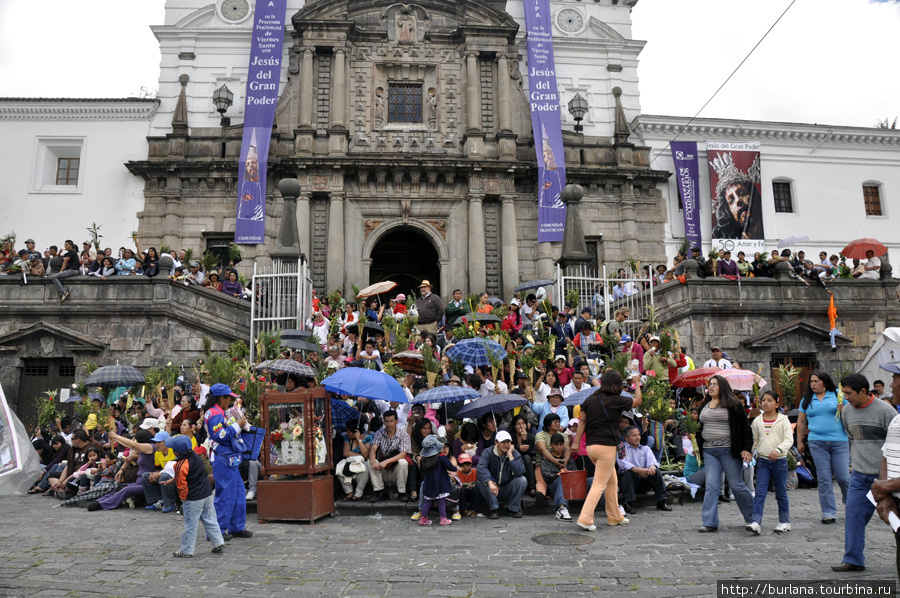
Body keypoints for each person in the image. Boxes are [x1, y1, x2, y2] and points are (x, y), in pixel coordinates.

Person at [832, 373, 898, 572]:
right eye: (844, 393)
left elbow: (895, 439)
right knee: (853, 515)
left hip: (885, 478)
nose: (846, 398)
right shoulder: (846, 412)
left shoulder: (886, 411)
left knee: (894, 519)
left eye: (849, 393)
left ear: (863, 391)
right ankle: (853, 559)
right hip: (860, 476)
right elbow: (851, 435)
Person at [572, 370, 642, 531]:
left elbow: (582, 421)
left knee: (612, 481)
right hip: (607, 447)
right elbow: (638, 401)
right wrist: (637, 382)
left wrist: (576, 443)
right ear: (616, 384)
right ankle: (585, 518)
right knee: (599, 484)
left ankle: (614, 516)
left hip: (591, 447)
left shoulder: (590, 399)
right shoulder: (616, 400)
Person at [696, 375, 754, 533]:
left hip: (729, 450)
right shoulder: (704, 405)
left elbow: (745, 428)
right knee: (711, 486)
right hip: (709, 451)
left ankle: (753, 517)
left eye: (715, 384)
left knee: (736, 485)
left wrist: (747, 448)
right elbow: (699, 426)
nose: (712, 387)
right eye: (710, 384)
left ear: (723, 386)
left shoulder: (734, 405)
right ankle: (709, 522)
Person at [795, 371, 849, 524]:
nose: (813, 384)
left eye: (816, 381)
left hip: (839, 441)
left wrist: (844, 409)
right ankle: (829, 512)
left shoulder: (838, 394)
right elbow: (801, 422)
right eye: (811, 381)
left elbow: (852, 412)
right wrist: (799, 442)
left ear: (825, 382)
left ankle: (851, 504)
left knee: (843, 477)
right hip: (816, 442)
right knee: (824, 479)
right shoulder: (807, 399)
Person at [203, 383, 252, 540]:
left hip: (229, 457)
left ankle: (236, 526)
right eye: (228, 399)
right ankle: (217, 530)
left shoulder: (218, 411)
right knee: (225, 494)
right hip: (223, 457)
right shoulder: (215, 413)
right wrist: (238, 425)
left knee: (237, 492)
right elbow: (220, 435)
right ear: (221, 398)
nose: (230, 402)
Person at [164, 435, 226, 558]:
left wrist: (183, 497)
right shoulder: (196, 458)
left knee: (190, 525)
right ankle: (218, 542)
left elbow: (182, 485)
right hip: (206, 494)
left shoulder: (180, 465)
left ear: (176, 452)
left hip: (193, 498)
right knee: (210, 519)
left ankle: (186, 550)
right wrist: (173, 480)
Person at [747, 390, 793, 535]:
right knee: (760, 492)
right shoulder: (757, 421)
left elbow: (788, 440)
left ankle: (784, 521)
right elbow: (755, 441)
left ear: (777, 403)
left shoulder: (783, 420)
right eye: (763, 400)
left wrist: (778, 450)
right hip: (763, 461)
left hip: (779, 461)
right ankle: (756, 521)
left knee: (780, 492)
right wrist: (752, 453)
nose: (765, 403)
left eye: (769, 400)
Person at [617, 425, 671, 514]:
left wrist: (652, 468)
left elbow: (653, 461)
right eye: (634, 435)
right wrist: (637, 470)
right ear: (626, 438)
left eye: (638, 435)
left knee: (656, 472)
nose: (637, 437)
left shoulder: (645, 448)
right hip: (629, 481)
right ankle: (629, 504)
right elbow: (622, 463)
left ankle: (661, 502)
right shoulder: (621, 447)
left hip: (643, 477)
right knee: (627, 473)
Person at [476, 430, 528, 519]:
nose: (506, 444)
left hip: (507, 487)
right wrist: (490, 481)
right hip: (492, 489)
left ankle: (513, 509)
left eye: (508, 442)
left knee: (522, 480)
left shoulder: (514, 453)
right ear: (496, 442)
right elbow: (481, 468)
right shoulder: (488, 452)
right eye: (503, 442)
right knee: (481, 481)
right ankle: (494, 509)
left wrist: (510, 456)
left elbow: (520, 471)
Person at [368, 410, 411, 502]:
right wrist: (372, 461)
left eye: (391, 421)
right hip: (382, 470)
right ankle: (380, 492)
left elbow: (403, 454)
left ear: (397, 421)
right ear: (384, 422)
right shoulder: (380, 433)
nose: (389, 424)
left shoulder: (403, 435)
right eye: (386, 421)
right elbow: (373, 448)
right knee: (369, 461)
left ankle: (402, 492)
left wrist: (386, 462)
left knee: (403, 462)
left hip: (396, 470)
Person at [417, 435, 457, 526]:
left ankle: (423, 518)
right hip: (440, 484)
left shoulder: (424, 459)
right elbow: (449, 466)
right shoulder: (441, 457)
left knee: (428, 502)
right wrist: (456, 468)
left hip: (429, 484)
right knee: (441, 501)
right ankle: (443, 519)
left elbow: (422, 470)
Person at [540, 433, 573, 521]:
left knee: (593, 481)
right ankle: (562, 509)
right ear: (551, 445)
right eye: (556, 444)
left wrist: (568, 473)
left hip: (571, 485)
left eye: (561, 444)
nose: (559, 447)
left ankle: (609, 507)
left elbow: (575, 472)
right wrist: (558, 475)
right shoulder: (546, 459)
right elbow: (546, 476)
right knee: (562, 479)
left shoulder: (568, 458)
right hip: (555, 486)